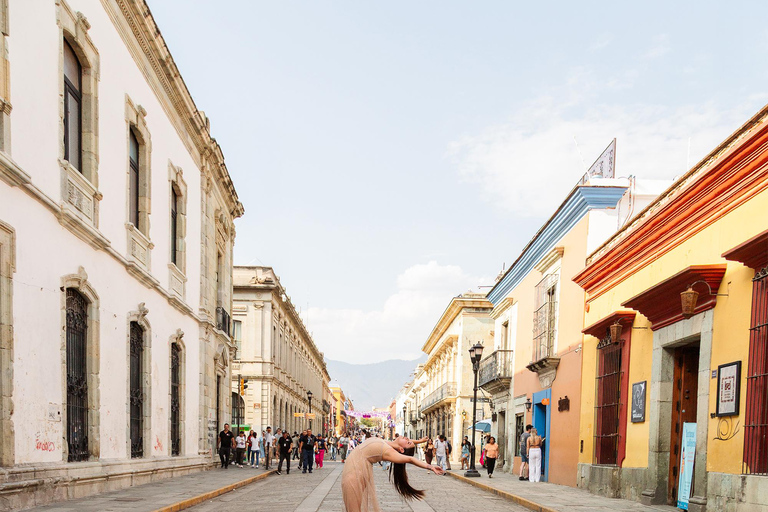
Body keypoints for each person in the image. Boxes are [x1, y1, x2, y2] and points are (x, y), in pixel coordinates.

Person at [342, 436, 442, 511]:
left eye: (408, 442)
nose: (407, 438)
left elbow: (410, 459)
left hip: (355, 475)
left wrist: (430, 466)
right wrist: (420, 441)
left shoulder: (388, 451)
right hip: (353, 471)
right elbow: (407, 444)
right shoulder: (388, 444)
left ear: (401, 449)